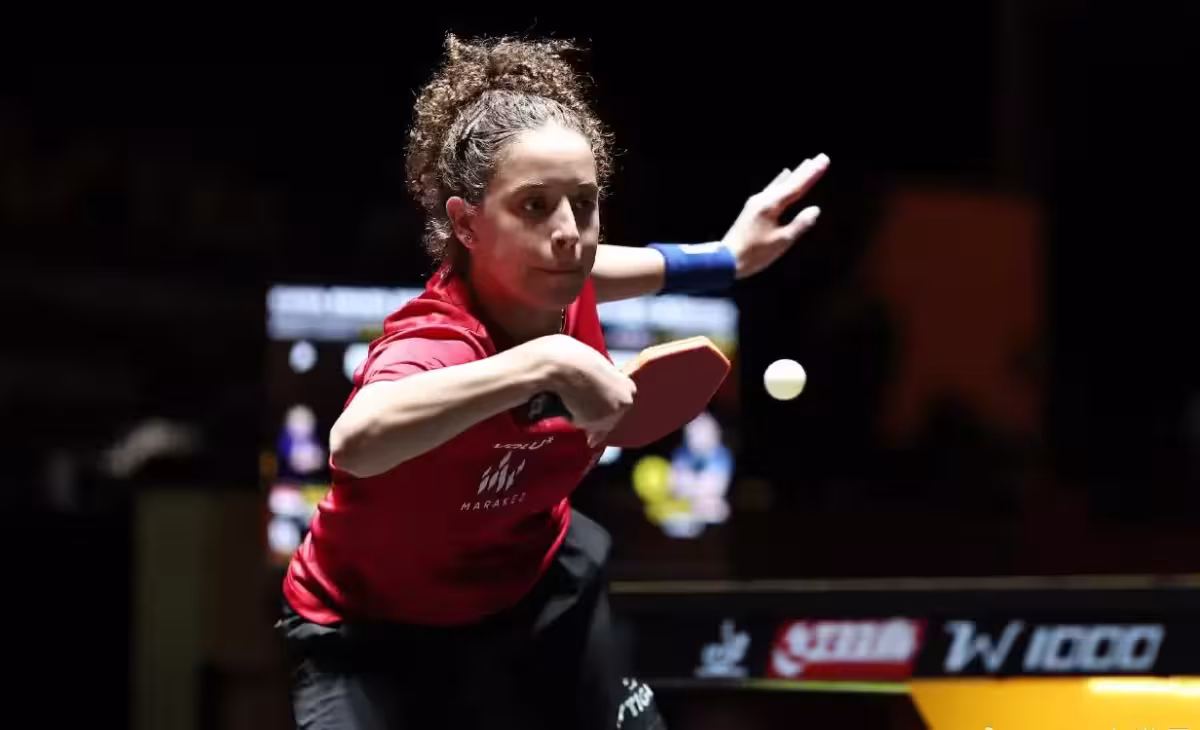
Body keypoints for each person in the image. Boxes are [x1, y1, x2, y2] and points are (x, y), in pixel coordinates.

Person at [276, 33, 828, 730]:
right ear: (466, 223)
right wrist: (547, 362)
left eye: (584, 203)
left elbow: (606, 267)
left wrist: (723, 259)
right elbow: (356, 441)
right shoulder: (438, 339)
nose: (570, 233)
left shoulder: (561, 280)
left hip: (532, 597)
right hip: (370, 633)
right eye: (534, 206)